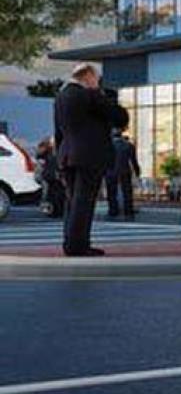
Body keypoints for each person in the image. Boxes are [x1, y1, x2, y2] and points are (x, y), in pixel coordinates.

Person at [53, 63, 128, 257]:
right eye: (96, 79)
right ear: (88, 77)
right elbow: (120, 117)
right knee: (84, 202)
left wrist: (59, 159)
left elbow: (58, 132)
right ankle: (79, 246)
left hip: (67, 154)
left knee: (73, 201)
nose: (97, 82)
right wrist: (100, 94)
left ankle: (70, 243)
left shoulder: (61, 97)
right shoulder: (89, 94)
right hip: (89, 155)